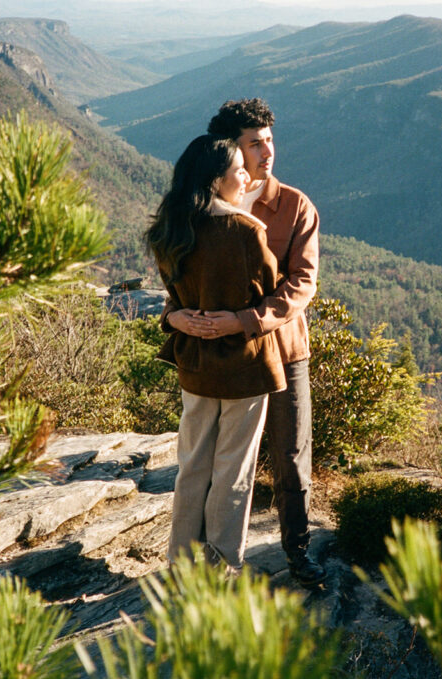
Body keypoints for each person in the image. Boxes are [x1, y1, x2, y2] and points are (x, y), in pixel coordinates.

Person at [163, 98, 325, 587]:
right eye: (254, 143)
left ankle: (297, 553)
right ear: (228, 151)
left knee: (291, 458)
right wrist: (175, 317)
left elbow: (302, 283)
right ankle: (205, 566)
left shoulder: (294, 205)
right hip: (218, 354)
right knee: (220, 461)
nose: (267, 151)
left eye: (270, 140)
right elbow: (179, 279)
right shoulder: (201, 208)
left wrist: (247, 320)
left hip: (284, 348)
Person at [148, 134, 286, 571]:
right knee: (233, 472)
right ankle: (220, 569)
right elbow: (267, 288)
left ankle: (180, 565)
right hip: (244, 366)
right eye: (237, 171)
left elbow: (174, 296)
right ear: (214, 181)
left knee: (192, 467)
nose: (246, 176)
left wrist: (178, 317)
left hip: (195, 364)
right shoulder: (246, 231)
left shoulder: (169, 230)